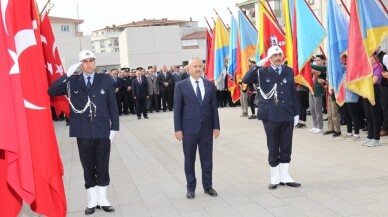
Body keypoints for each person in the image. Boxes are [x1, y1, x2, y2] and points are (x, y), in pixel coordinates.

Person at [48, 50, 119, 215]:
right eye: (85, 61)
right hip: (83, 131)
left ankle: (103, 199)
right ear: (80, 64)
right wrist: (67, 74)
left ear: (95, 62)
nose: (89, 64)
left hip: (102, 130)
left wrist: (114, 127)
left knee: (102, 164)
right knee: (87, 166)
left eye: (91, 60)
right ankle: (92, 200)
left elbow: (112, 105)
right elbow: (51, 91)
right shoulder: (73, 81)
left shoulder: (105, 80)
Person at [242, 46, 300, 190]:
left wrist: (297, 112)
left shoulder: (289, 71)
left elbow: (292, 92)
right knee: (273, 144)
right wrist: (258, 64)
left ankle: (285, 176)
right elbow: (245, 79)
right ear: (269, 58)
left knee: (286, 145)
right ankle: (275, 177)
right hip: (270, 114)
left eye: (279, 54)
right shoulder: (262, 71)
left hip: (287, 113)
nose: (278, 57)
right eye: (274, 55)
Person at [173, 57, 220, 199]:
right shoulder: (181, 86)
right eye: (195, 66)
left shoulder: (209, 85)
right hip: (188, 130)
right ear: (189, 68)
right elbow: (177, 109)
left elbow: (213, 108)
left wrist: (216, 127)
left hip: (206, 129)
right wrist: (178, 129)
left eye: (200, 66)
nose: (198, 68)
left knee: (207, 159)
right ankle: (191, 188)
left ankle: (208, 186)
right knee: (189, 159)